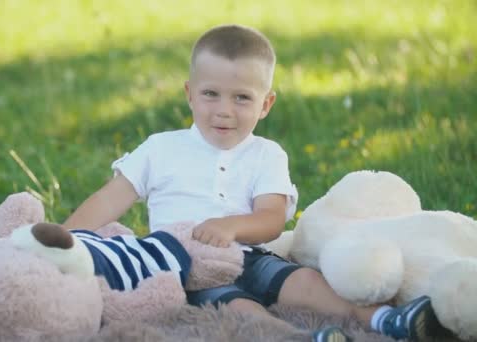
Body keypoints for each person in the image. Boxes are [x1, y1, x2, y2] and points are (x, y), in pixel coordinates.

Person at [63, 24, 446, 341]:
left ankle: (385, 321)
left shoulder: (266, 154)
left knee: (305, 282)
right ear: (189, 95)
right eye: (210, 94)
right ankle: (298, 337)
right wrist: (63, 238)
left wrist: (231, 227)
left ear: (266, 104)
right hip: (189, 267)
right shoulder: (160, 149)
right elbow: (110, 198)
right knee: (240, 310)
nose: (224, 110)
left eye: (242, 98)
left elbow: (272, 218)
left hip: (250, 254)